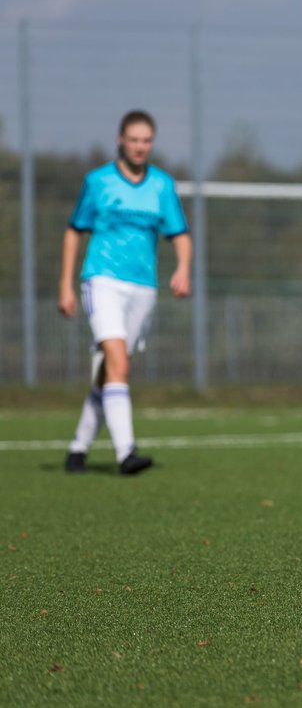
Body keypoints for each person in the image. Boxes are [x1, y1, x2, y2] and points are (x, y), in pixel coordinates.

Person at [59, 110, 191, 475]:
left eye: (146, 140)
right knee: (118, 362)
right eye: (133, 139)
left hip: (143, 286)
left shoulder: (162, 185)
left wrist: (183, 268)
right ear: (120, 140)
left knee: (112, 369)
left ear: (152, 143)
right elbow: (75, 230)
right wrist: (64, 284)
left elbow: (179, 234)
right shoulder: (98, 182)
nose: (139, 147)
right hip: (102, 279)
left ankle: (78, 447)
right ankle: (126, 453)